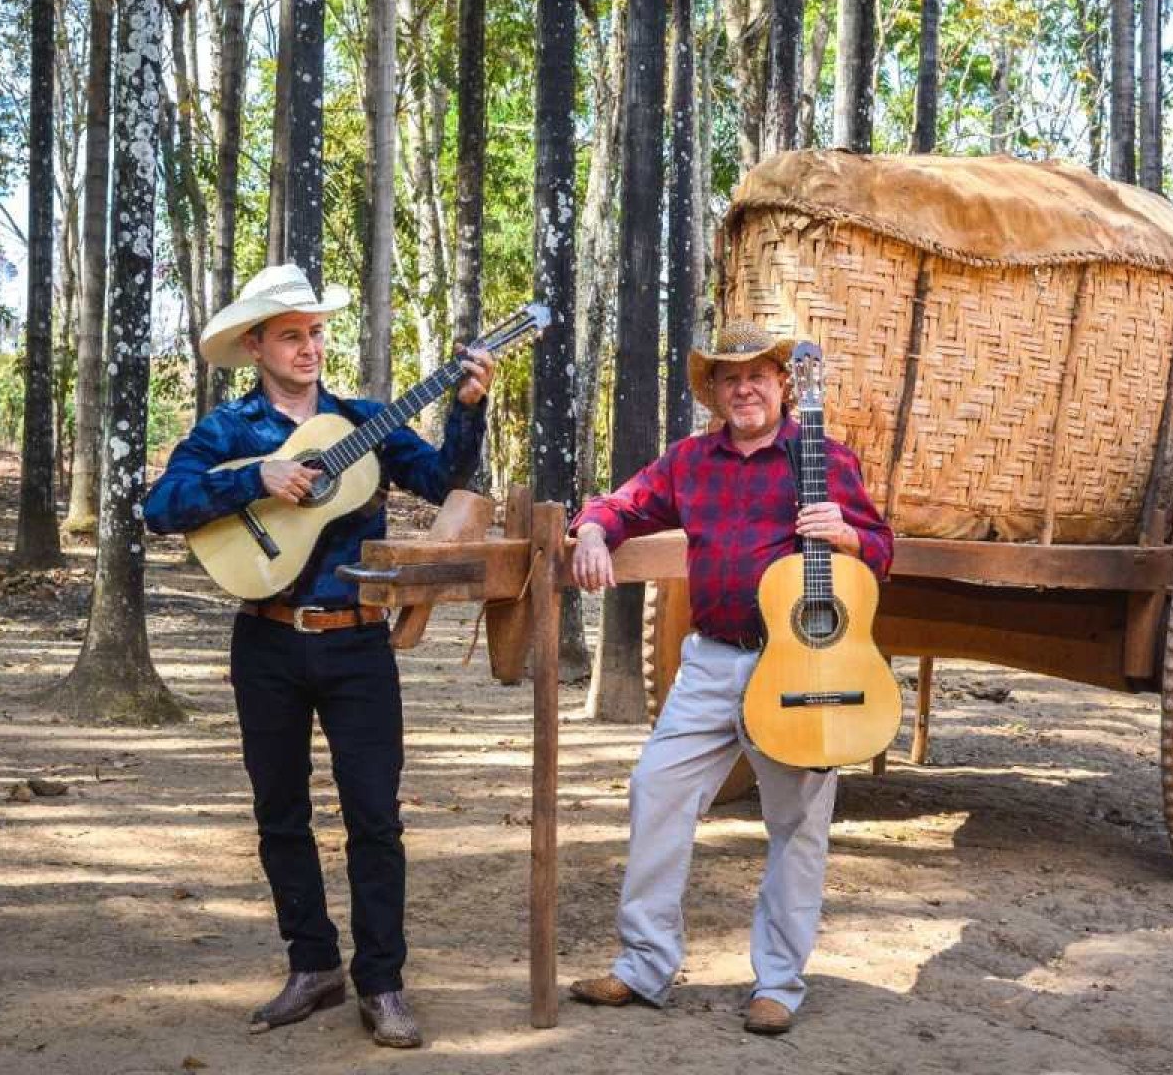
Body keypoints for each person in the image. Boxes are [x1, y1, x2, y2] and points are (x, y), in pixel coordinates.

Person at [142, 264, 496, 1049]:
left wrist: (469, 410)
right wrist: (254, 479)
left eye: (316, 333)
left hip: (357, 642)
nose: (309, 347)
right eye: (291, 335)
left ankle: (383, 983)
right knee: (280, 813)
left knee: (375, 815)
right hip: (265, 639)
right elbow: (161, 507)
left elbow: (444, 480)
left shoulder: (365, 419)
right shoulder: (228, 432)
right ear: (257, 345)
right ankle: (312, 966)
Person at [566, 321, 893, 1035]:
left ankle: (778, 981)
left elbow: (880, 549)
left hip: (804, 663)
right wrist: (591, 530)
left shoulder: (826, 459)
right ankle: (643, 966)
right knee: (657, 788)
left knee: (797, 823)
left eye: (758, 375)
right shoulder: (689, 461)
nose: (744, 388)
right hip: (712, 660)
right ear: (714, 392)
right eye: (728, 378)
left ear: (783, 384)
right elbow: (622, 504)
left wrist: (849, 536)